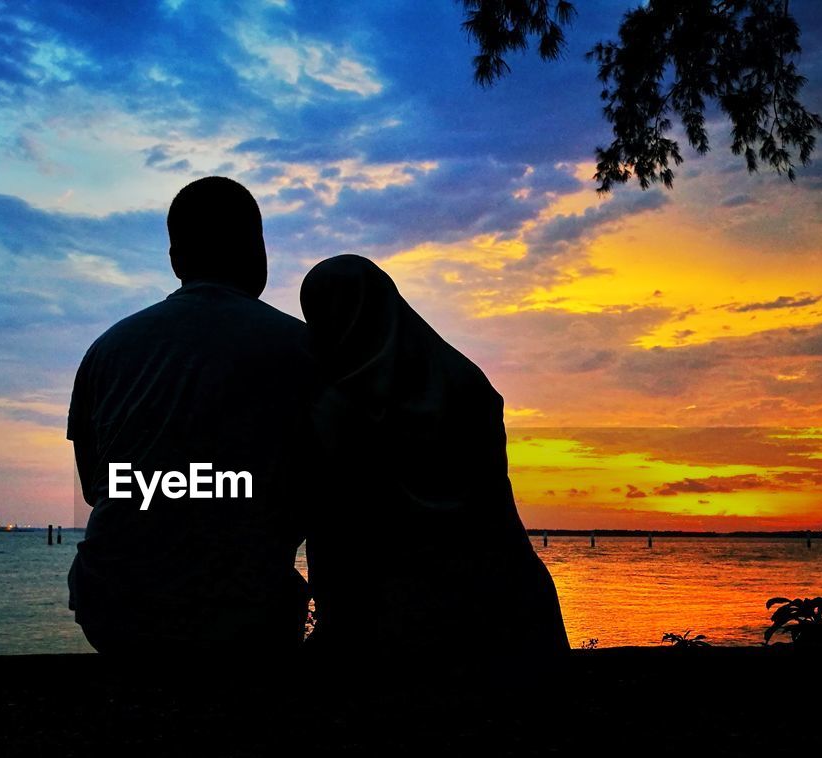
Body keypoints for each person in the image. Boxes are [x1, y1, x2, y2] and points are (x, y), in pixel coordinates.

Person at [66, 177, 314, 664]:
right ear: (257, 250)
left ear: (176, 258)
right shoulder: (304, 347)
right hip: (248, 617)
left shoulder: (107, 348)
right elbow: (324, 494)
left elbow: (97, 487)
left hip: (114, 613)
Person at [300, 254, 569, 665]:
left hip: (395, 623)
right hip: (508, 603)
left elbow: (333, 535)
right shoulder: (467, 383)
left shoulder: (336, 411)